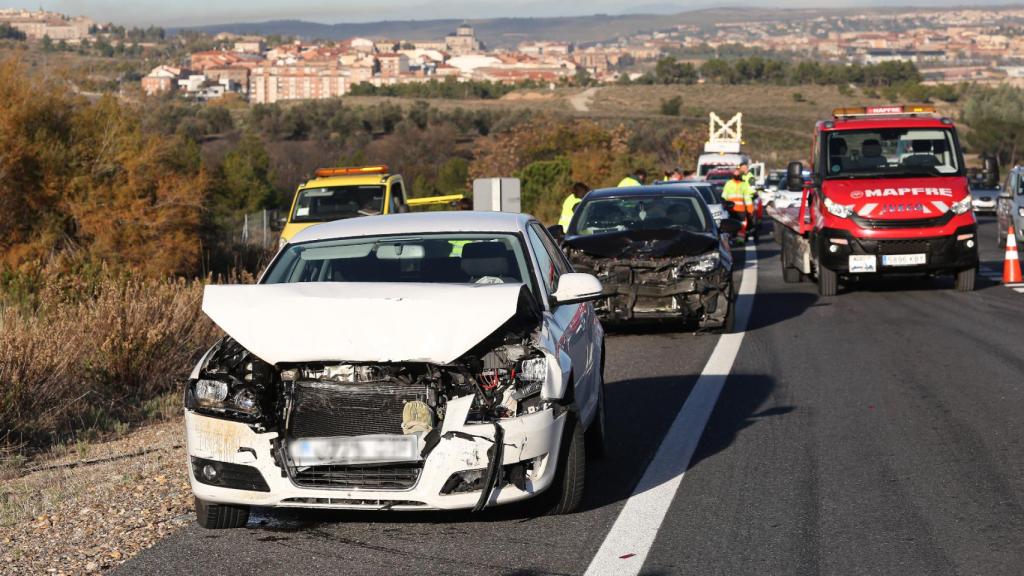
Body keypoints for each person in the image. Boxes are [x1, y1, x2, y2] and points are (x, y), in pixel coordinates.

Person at [722, 169, 756, 243]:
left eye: (738, 174)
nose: (737, 176)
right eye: (735, 174)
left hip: (741, 210)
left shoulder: (744, 185)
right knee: (730, 225)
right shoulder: (729, 183)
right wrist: (724, 206)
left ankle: (740, 239)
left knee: (743, 225)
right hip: (731, 209)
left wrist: (750, 210)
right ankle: (731, 239)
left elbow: (747, 198)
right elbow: (724, 196)